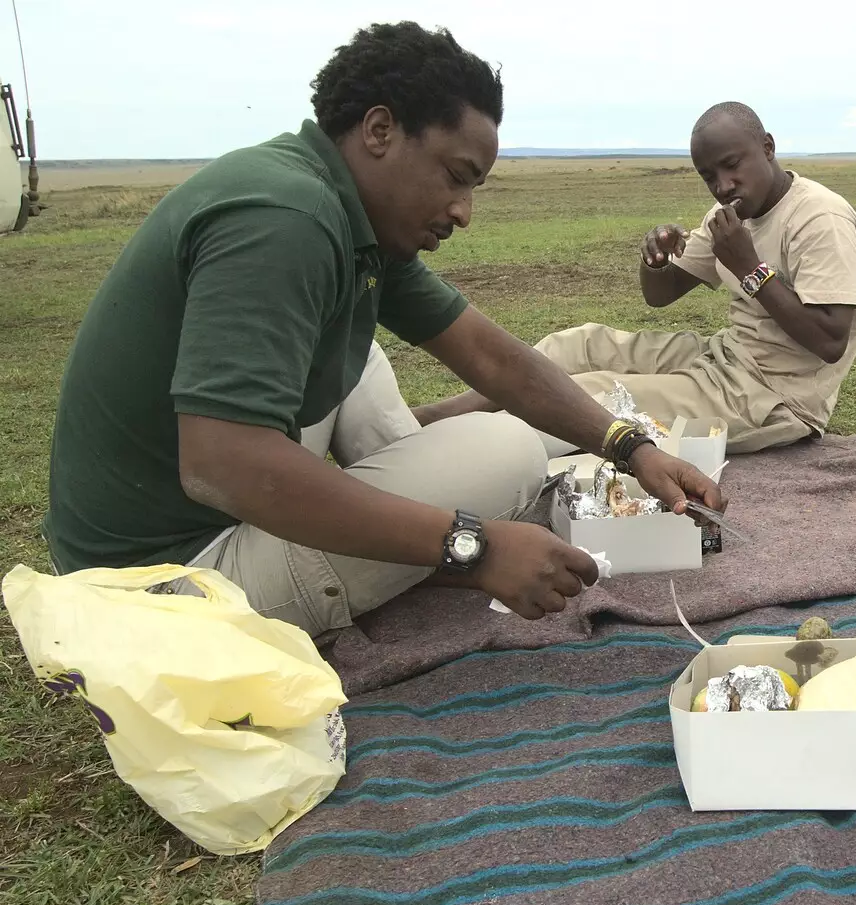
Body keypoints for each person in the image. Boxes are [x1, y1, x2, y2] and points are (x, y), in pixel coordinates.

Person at [43, 22, 721, 637]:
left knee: (355, 351)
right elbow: (223, 462)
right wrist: (473, 545)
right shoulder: (288, 219)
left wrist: (631, 448)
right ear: (378, 131)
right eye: (457, 177)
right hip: (159, 587)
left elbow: (495, 359)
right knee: (510, 452)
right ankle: (430, 540)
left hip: (179, 524)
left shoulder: (343, 213)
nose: (464, 212)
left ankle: (412, 530)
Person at [430, 102, 856, 454]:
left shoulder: (817, 216)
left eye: (732, 165)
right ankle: (434, 419)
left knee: (588, 395)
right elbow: (660, 295)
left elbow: (830, 341)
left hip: (773, 397)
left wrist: (750, 269)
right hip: (724, 359)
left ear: (768, 147)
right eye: (708, 176)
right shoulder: (729, 217)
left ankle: (444, 450)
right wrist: (655, 260)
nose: (722, 185)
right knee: (579, 344)